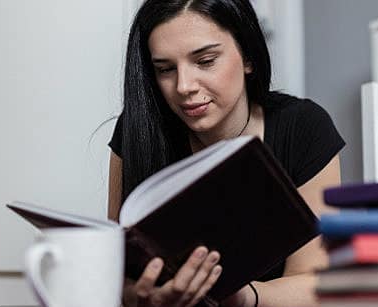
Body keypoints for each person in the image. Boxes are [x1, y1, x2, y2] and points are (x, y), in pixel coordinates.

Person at [107, 0, 345, 306]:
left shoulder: (304, 128)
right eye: (165, 69)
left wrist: (243, 297)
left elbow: (318, 284)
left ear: (248, 56)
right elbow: (116, 268)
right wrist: (135, 295)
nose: (184, 86)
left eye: (205, 61)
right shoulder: (137, 130)